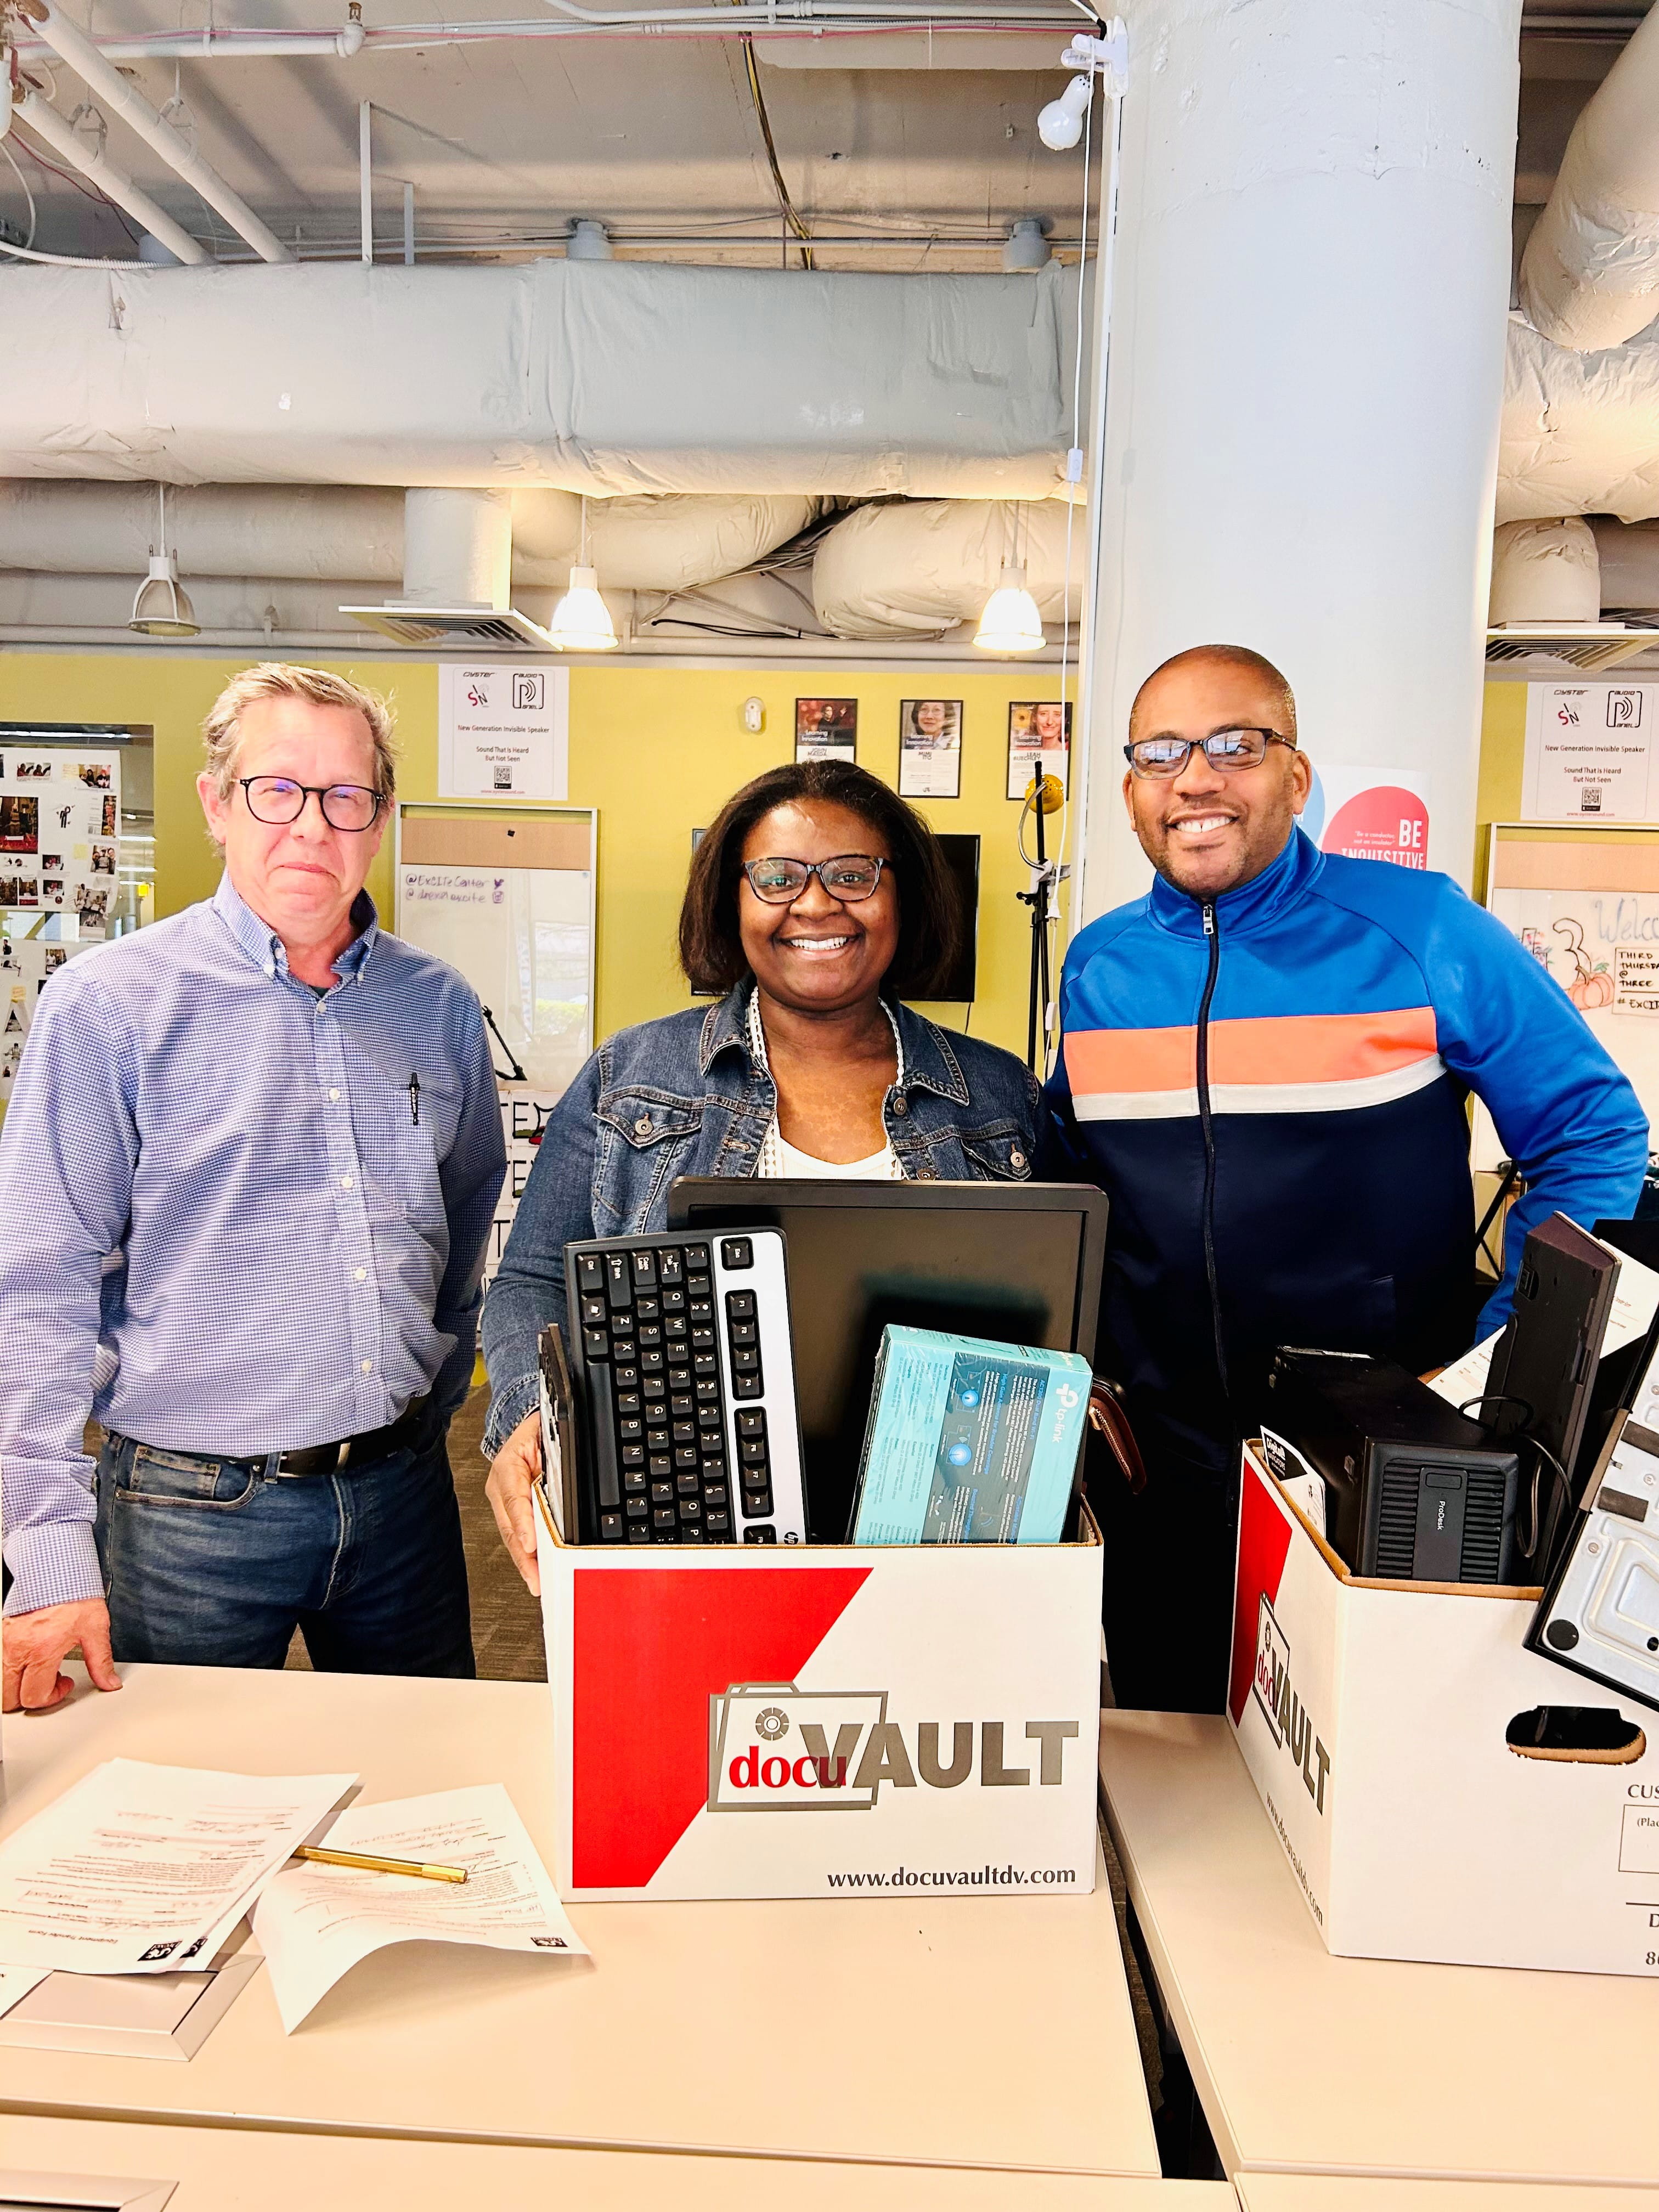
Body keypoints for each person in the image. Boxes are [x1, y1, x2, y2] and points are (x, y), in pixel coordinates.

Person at [1045, 642, 1649, 1714]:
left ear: (1295, 774)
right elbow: (1068, 1180)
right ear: (1133, 788)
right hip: (1164, 1470)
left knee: (1360, 1784)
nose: (1196, 778)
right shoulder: (1100, 966)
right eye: (1161, 753)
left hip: (1378, 1458)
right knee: (1172, 1774)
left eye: (1236, 745)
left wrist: (1509, 1359)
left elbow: (1592, 1132)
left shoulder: (1422, 930)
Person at [0, 663, 506, 1713]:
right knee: (172, 1822)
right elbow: (36, 1288)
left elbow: (461, 1238)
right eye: (276, 790)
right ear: (217, 804)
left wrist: (431, 1404)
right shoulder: (110, 1006)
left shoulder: (439, 1010)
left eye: (345, 797)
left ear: (380, 817)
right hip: (188, 1514)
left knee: (427, 1796)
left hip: (401, 1494)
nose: (311, 828)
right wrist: (44, 1553)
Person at [481, 757, 1040, 1587]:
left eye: (854, 875)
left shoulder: (996, 1092)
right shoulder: (632, 1074)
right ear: (731, 900)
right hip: (676, 1526)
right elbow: (529, 1279)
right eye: (777, 877)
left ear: (905, 897)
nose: (816, 904)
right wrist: (534, 1409)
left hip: (944, 1534)